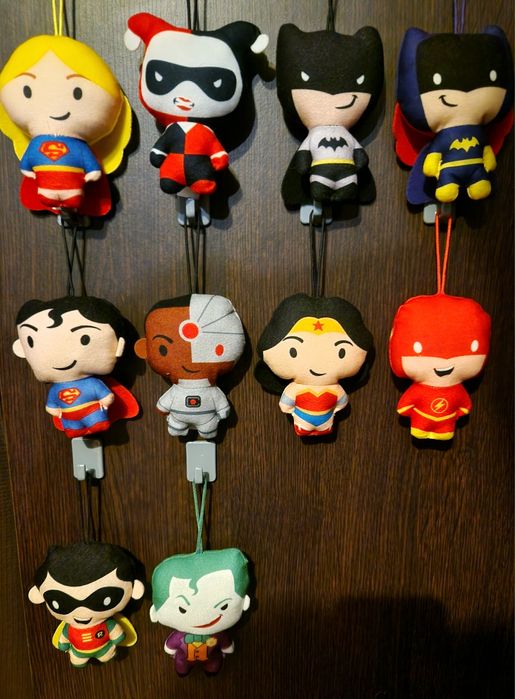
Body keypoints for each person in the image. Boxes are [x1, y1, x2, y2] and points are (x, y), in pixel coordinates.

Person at [0, 34, 131, 214]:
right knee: (49, 196)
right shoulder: (58, 146)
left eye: (78, 93)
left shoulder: (75, 147)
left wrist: (92, 172)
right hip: (45, 189)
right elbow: (27, 163)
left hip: (73, 190)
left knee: (72, 198)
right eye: (27, 91)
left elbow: (89, 163)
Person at [13, 296, 138, 437]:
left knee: (97, 422)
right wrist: (54, 410)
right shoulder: (58, 389)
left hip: (92, 412)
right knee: (73, 429)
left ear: (119, 346)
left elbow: (106, 395)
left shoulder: (91, 384)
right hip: (69, 417)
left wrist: (106, 400)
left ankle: (96, 422)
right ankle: (75, 429)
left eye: (85, 338)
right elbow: (51, 405)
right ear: (21, 349)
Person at [256, 293, 373, 436]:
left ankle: (321, 428)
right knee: (305, 426)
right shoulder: (302, 389)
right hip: (306, 419)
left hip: (325, 421)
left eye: (341, 352)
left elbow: (285, 405)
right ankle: (304, 428)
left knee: (324, 426)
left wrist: (291, 411)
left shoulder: (300, 389)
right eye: (293, 351)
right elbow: (342, 402)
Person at [135, 294, 244, 439]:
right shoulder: (208, 390)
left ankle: (203, 430)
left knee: (207, 427)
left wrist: (162, 407)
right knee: (186, 426)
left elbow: (162, 407)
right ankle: (182, 428)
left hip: (204, 419)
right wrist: (223, 410)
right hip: (188, 418)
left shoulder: (183, 390)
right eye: (163, 349)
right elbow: (221, 405)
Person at [389, 293, 491, 440]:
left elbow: (463, 404)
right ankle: (421, 429)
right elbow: (464, 406)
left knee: (445, 431)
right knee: (420, 429)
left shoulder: (455, 390)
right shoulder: (425, 389)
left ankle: (443, 432)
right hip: (422, 419)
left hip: (446, 421)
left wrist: (404, 409)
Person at [29, 542, 145, 667]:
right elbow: (63, 639)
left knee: (105, 654)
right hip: (79, 652)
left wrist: (118, 637)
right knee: (78, 659)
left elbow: (117, 633)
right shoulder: (69, 629)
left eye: (102, 600)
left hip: (104, 648)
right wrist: (63, 644)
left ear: (134, 590)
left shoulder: (107, 624)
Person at [150, 548, 250, 675]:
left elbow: (225, 642)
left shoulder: (217, 635)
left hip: (211, 656)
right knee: (181, 664)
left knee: (213, 663)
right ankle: (183, 670)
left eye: (223, 606)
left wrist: (227, 647)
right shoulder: (186, 636)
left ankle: (210, 669)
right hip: (184, 658)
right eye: (182, 609)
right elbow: (171, 644)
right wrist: (227, 648)